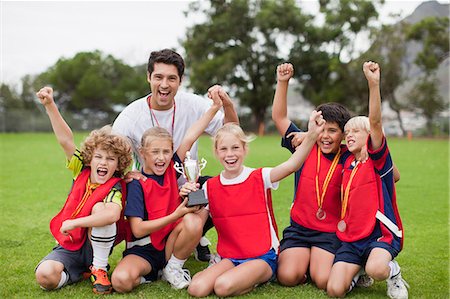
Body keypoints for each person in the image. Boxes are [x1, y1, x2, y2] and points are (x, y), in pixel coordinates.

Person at [112, 49, 239, 261]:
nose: (164, 84)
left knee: (222, 190)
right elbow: (109, 155)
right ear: (148, 77)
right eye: (158, 77)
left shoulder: (194, 104)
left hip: (187, 184)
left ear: (180, 81)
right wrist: (125, 175)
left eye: (171, 78)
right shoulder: (129, 117)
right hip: (150, 191)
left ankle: (200, 239)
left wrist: (226, 103)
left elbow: (231, 131)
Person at [185, 109, 326, 297]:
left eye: (235, 148)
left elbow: (292, 165)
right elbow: (196, 225)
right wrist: (188, 196)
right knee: (197, 288)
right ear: (216, 152)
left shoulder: (260, 176)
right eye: (224, 149)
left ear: (244, 149)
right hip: (230, 256)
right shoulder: (209, 186)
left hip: (262, 256)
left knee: (222, 287)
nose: (230, 154)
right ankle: (236, 275)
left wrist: (312, 135)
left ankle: (259, 278)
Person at [111, 89, 224, 292]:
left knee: (192, 219)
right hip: (144, 250)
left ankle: (173, 266)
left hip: (167, 245)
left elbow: (191, 134)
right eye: (155, 152)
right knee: (121, 282)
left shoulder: (172, 168)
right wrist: (175, 215)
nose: (161, 158)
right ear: (142, 153)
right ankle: (152, 274)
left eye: (166, 152)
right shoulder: (137, 183)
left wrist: (214, 107)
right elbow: (137, 229)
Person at [34, 87, 132, 294]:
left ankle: (99, 268)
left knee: (100, 208)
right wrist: (50, 105)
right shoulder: (80, 171)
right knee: (44, 277)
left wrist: (74, 222)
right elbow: (65, 140)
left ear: (119, 163)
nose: (103, 162)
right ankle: (77, 273)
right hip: (69, 245)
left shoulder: (115, 185)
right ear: (90, 158)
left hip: (93, 245)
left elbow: (113, 214)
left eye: (110, 158)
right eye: (99, 156)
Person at [326, 61, 409, 299]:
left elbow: (375, 123)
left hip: (380, 235)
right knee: (334, 290)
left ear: (369, 136)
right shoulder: (345, 161)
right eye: (347, 132)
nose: (349, 135)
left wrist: (373, 84)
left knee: (377, 268)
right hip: (352, 238)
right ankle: (359, 270)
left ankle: (393, 273)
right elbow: (326, 141)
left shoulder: (378, 159)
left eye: (356, 131)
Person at [272, 63, 352, 290]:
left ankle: (352, 267)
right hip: (300, 229)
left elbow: (390, 173)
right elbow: (279, 117)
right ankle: (303, 262)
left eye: (333, 131)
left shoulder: (348, 156)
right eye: (321, 129)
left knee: (324, 280)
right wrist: (283, 82)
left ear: (343, 134)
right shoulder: (305, 146)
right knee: (287, 277)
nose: (325, 136)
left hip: (329, 232)